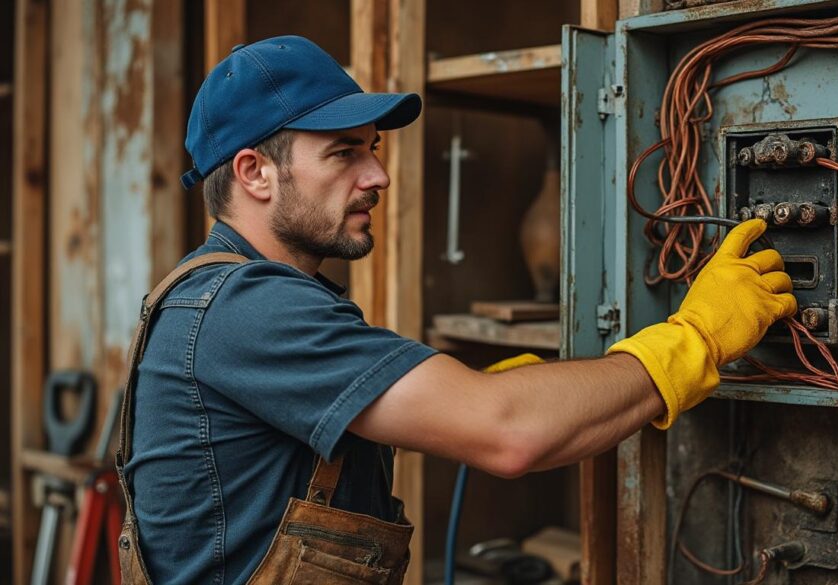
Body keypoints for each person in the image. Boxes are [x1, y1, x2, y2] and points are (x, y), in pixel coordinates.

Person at [115, 36, 797, 585]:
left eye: (372, 149)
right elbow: (511, 433)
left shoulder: (224, 295)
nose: (378, 176)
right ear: (254, 173)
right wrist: (695, 337)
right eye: (344, 153)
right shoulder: (250, 309)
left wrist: (475, 393)